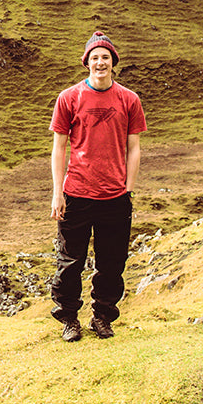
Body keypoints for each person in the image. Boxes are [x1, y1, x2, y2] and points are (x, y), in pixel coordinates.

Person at [48, 30, 146, 342]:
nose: (100, 62)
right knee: (69, 263)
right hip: (76, 194)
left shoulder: (129, 100)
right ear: (87, 63)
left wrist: (127, 189)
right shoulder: (69, 98)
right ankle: (69, 320)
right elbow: (58, 148)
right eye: (94, 58)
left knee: (112, 264)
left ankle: (102, 317)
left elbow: (135, 148)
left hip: (115, 198)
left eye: (105, 57)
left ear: (113, 63)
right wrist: (57, 193)